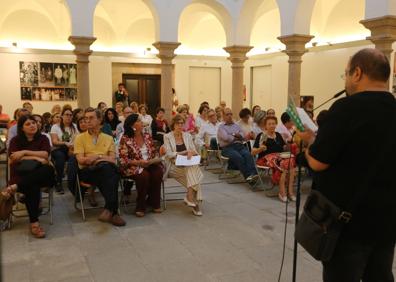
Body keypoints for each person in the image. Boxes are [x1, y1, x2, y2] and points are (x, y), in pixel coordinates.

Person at [297, 48, 396, 282]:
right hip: (387, 220)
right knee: (380, 275)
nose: (346, 80)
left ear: (357, 73)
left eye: (346, 74)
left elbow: (318, 163)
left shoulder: (346, 108)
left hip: (348, 224)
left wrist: (308, 146)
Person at [74, 107, 125, 226]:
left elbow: (113, 159)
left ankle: (110, 210)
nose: (87, 121)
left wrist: (96, 157)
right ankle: (113, 211)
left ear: (100, 119)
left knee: (107, 171)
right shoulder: (80, 138)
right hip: (87, 172)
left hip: (104, 170)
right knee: (112, 172)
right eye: (86, 118)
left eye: (91, 118)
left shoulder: (108, 138)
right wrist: (101, 158)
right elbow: (80, 160)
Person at [6, 115, 55, 238]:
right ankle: (34, 224)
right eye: (28, 124)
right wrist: (36, 157)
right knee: (32, 185)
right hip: (21, 175)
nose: (32, 125)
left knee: (48, 169)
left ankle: (15, 187)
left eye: (33, 123)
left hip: (40, 175)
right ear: (21, 128)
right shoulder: (15, 141)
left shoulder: (43, 138)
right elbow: (13, 159)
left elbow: (45, 154)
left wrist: (24, 152)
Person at [118, 114, 163, 217]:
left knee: (158, 172)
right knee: (143, 175)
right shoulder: (125, 139)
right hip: (132, 166)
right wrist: (138, 163)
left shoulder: (147, 136)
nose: (142, 122)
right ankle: (140, 205)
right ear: (132, 125)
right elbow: (123, 158)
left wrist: (154, 159)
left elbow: (153, 151)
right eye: (138, 121)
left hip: (148, 163)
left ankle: (154, 202)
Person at [163, 114, 203, 216]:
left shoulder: (187, 135)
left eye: (182, 123)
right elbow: (169, 154)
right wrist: (183, 152)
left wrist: (191, 152)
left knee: (191, 168)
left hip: (186, 164)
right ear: (173, 124)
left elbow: (193, 150)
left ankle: (190, 198)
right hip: (174, 165)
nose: (180, 125)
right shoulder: (167, 136)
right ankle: (193, 201)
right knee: (195, 178)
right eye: (178, 123)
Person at [252, 116, 296, 202]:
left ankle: (290, 192)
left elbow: (284, 148)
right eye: (269, 124)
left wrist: (289, 143)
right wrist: (261, 149)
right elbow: (253, 152)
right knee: (283, 164)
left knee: (292, 163)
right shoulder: (262, 136)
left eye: (273, 123)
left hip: (279, 157)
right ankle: (282, 192)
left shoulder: (278, 135)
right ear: (265, 126)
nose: (272, 125)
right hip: (265, 159)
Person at [217, 108, 258, 185]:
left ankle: (254, 174)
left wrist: (234, 135)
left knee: (248, 155)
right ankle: (249, 177)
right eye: (227, 114)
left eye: (231, 114)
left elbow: (242, 135)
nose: (229, 116)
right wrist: (235, 135)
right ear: (223, 116)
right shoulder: (221, 127)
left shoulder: (236, 125)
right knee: (238, 157)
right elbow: (226, 138)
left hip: (239, 145)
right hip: (227, 148)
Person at [50, 108, 79, 194]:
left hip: (72, 148)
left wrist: (71, 148)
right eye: (66, 114)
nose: (69, 117)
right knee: (60, 158)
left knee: (73, 159)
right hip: (59, 148)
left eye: (70, 115)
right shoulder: (55, 126)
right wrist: (65, 143)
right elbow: (54, 141)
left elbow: (78, 139)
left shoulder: (75, 126)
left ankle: (73, 182)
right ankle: (58, 181)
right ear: (62, 116)